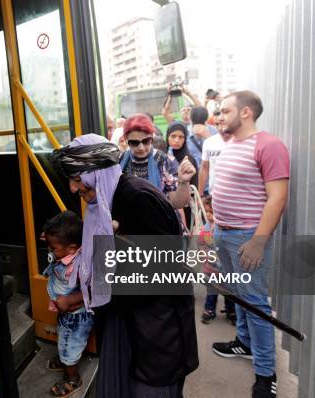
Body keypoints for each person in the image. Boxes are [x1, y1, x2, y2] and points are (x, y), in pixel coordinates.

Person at [53, 134, 198, 397]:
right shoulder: (105, 203)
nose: (74, 189)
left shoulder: (138, 198)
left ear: (98, 174)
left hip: (155, 327)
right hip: (126, 319)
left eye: (77, 180)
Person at [211, 91, 289, 398]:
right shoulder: (230, 144)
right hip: (224, 233)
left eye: (224, 110)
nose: (218, 115)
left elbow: (278, 197)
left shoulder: (269, 145)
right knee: (237, 296)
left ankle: (265, 375)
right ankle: (243, 343)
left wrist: (258, 243)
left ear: (245, 113)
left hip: (246, 239)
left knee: (255, 305)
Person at [42, 211, 93, 397]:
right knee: (64, 338)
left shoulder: (79, 266)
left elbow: (93, 289)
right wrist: (50, 241)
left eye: (52, 247)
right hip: (65, 313)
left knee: (70, 345)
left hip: (76, 316)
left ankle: (72, 377)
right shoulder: (64, 253)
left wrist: (70, 300)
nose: (50, 250)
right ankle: (66, 358)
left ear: (71, 248)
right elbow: (55, 246)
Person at [119, 114, 196, 210]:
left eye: (146, 141)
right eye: (134, 143)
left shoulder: (164, 161)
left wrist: (183, 182)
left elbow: (177, 203)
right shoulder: (119, 160)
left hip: (160, 222)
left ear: (152, 137)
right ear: (126, 140)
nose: (141, 147)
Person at [198, 196, 236, 324]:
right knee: (212, 289)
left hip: (226, 268)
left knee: (229, 290)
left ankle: (231, 310)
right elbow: (201, 243)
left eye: (211, 213)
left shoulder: (225, 229)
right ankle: (209, 310)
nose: (208, 215)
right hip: (212, 267)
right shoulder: (205, 228)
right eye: (207, 212)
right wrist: (203, 254)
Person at [165, 122, 198, 228]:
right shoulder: (162, 157)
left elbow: (194, 187)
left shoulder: (188, 159)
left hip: (186, 208)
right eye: (173, 136)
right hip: (168, 209)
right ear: (167, 137)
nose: (176, 140)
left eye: (181, 137)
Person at [198, 116, 232, 195]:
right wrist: (200, 194)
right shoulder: (209, 142)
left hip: (237, 195)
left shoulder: (240, 141)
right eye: (217, 124)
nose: (220, 126)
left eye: (223, 123)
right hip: (214, 194)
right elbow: (204, 167)